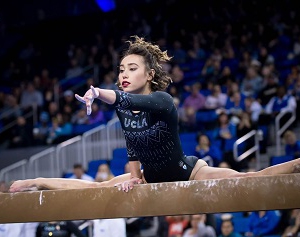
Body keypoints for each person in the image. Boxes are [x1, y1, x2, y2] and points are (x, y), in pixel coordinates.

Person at [8, 35, 300, 195]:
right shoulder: (123, 109)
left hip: (188, 171)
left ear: (149, 74)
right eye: (121, 69)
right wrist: (134, 178)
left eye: (132, 68)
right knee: (96, 188)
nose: (124, 74)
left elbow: (121, 97)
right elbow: (133, 149)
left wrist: (97, 92)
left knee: (248, 180)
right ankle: (38, 182)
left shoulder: (162, 100)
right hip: (149, 177)